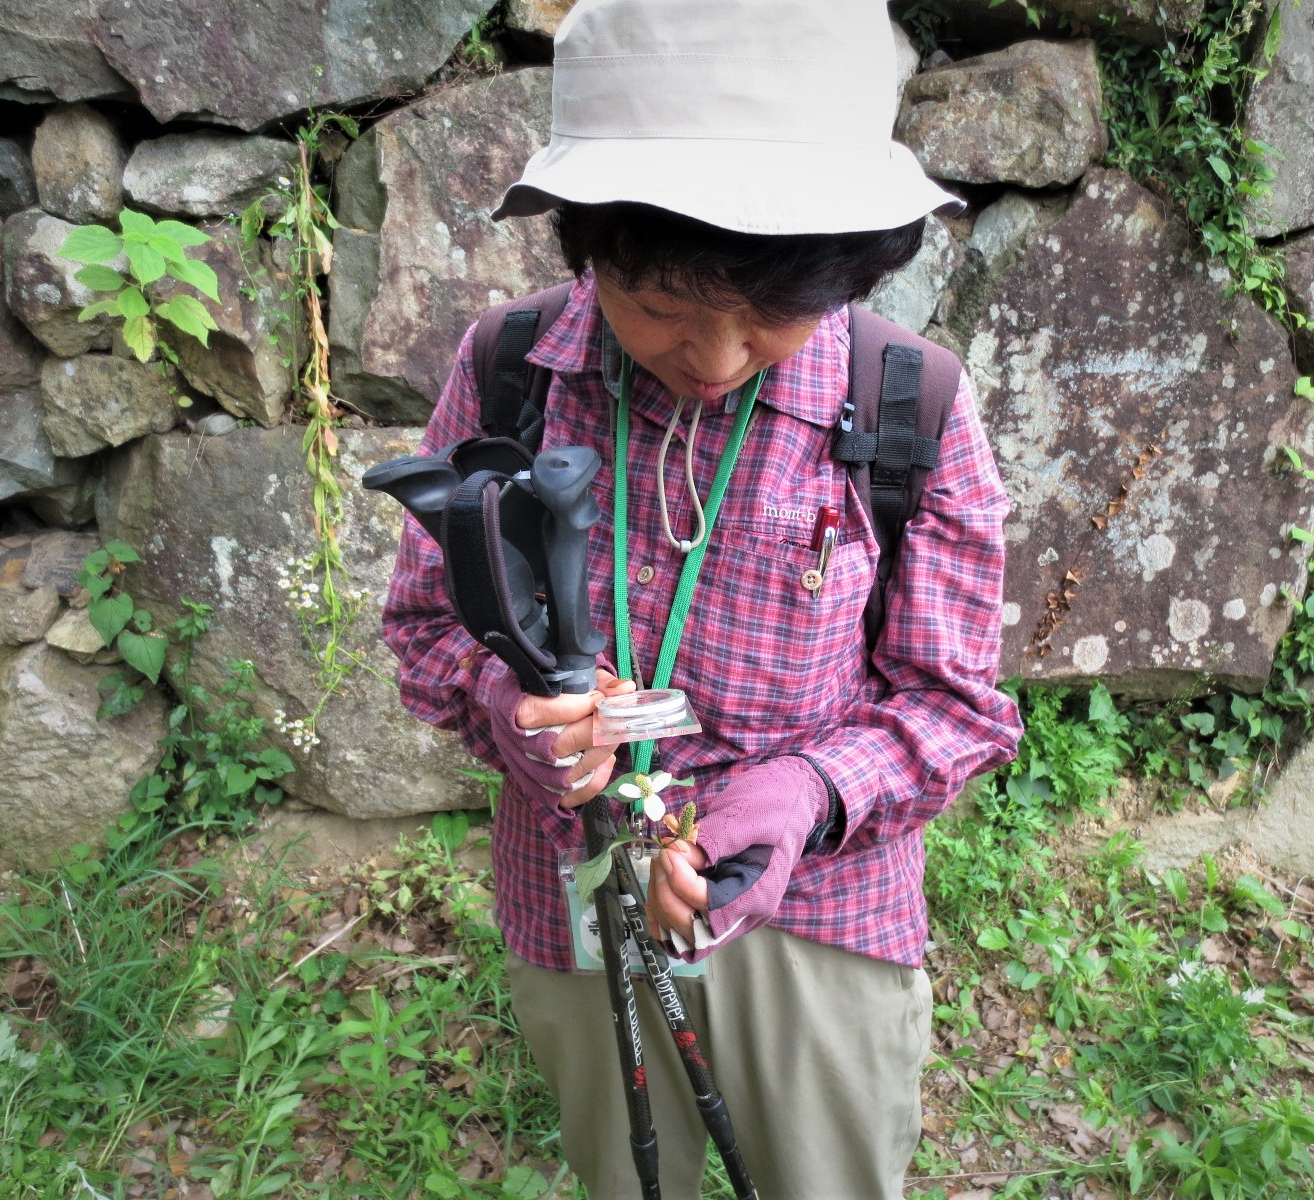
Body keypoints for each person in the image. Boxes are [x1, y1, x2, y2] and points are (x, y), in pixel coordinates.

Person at [381, 1, 1023, 1196]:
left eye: (773, 314)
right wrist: (514, 713)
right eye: (663, 305)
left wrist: (802, 792)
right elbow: (425, 627)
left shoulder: (906, 406)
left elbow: (954, 707)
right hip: (572, 888)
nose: (715, 359)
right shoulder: (510, 374)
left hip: (821, 913)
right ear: (589, 246)